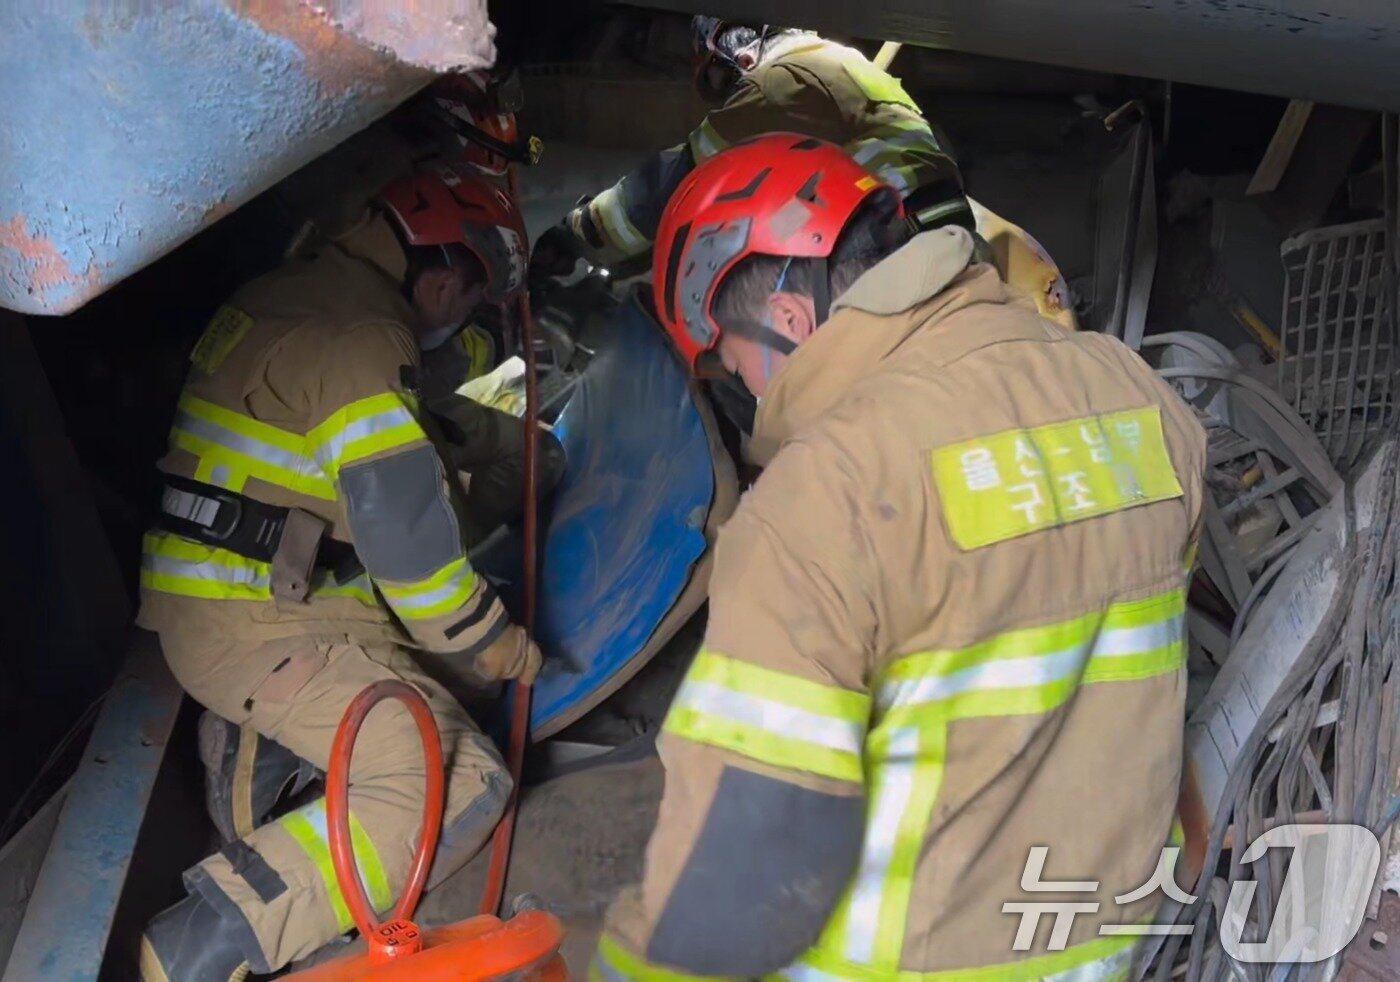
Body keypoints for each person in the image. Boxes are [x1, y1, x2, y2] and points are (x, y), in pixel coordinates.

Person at [590, 134, 1206, 980]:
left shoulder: (823, 493)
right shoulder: (1142, 397)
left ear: (790, 321)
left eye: (731, 367)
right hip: (1107, 948)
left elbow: (742, 872)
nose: (745, 399)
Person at [137, 162, 558, 981]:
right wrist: (499, 647)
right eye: (471, 300)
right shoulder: (366, 342)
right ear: (442, 284)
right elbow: (412, 558)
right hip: (260, 626)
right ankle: (194, 950)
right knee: (454, 776)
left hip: (223, 596)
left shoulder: (300, 291)